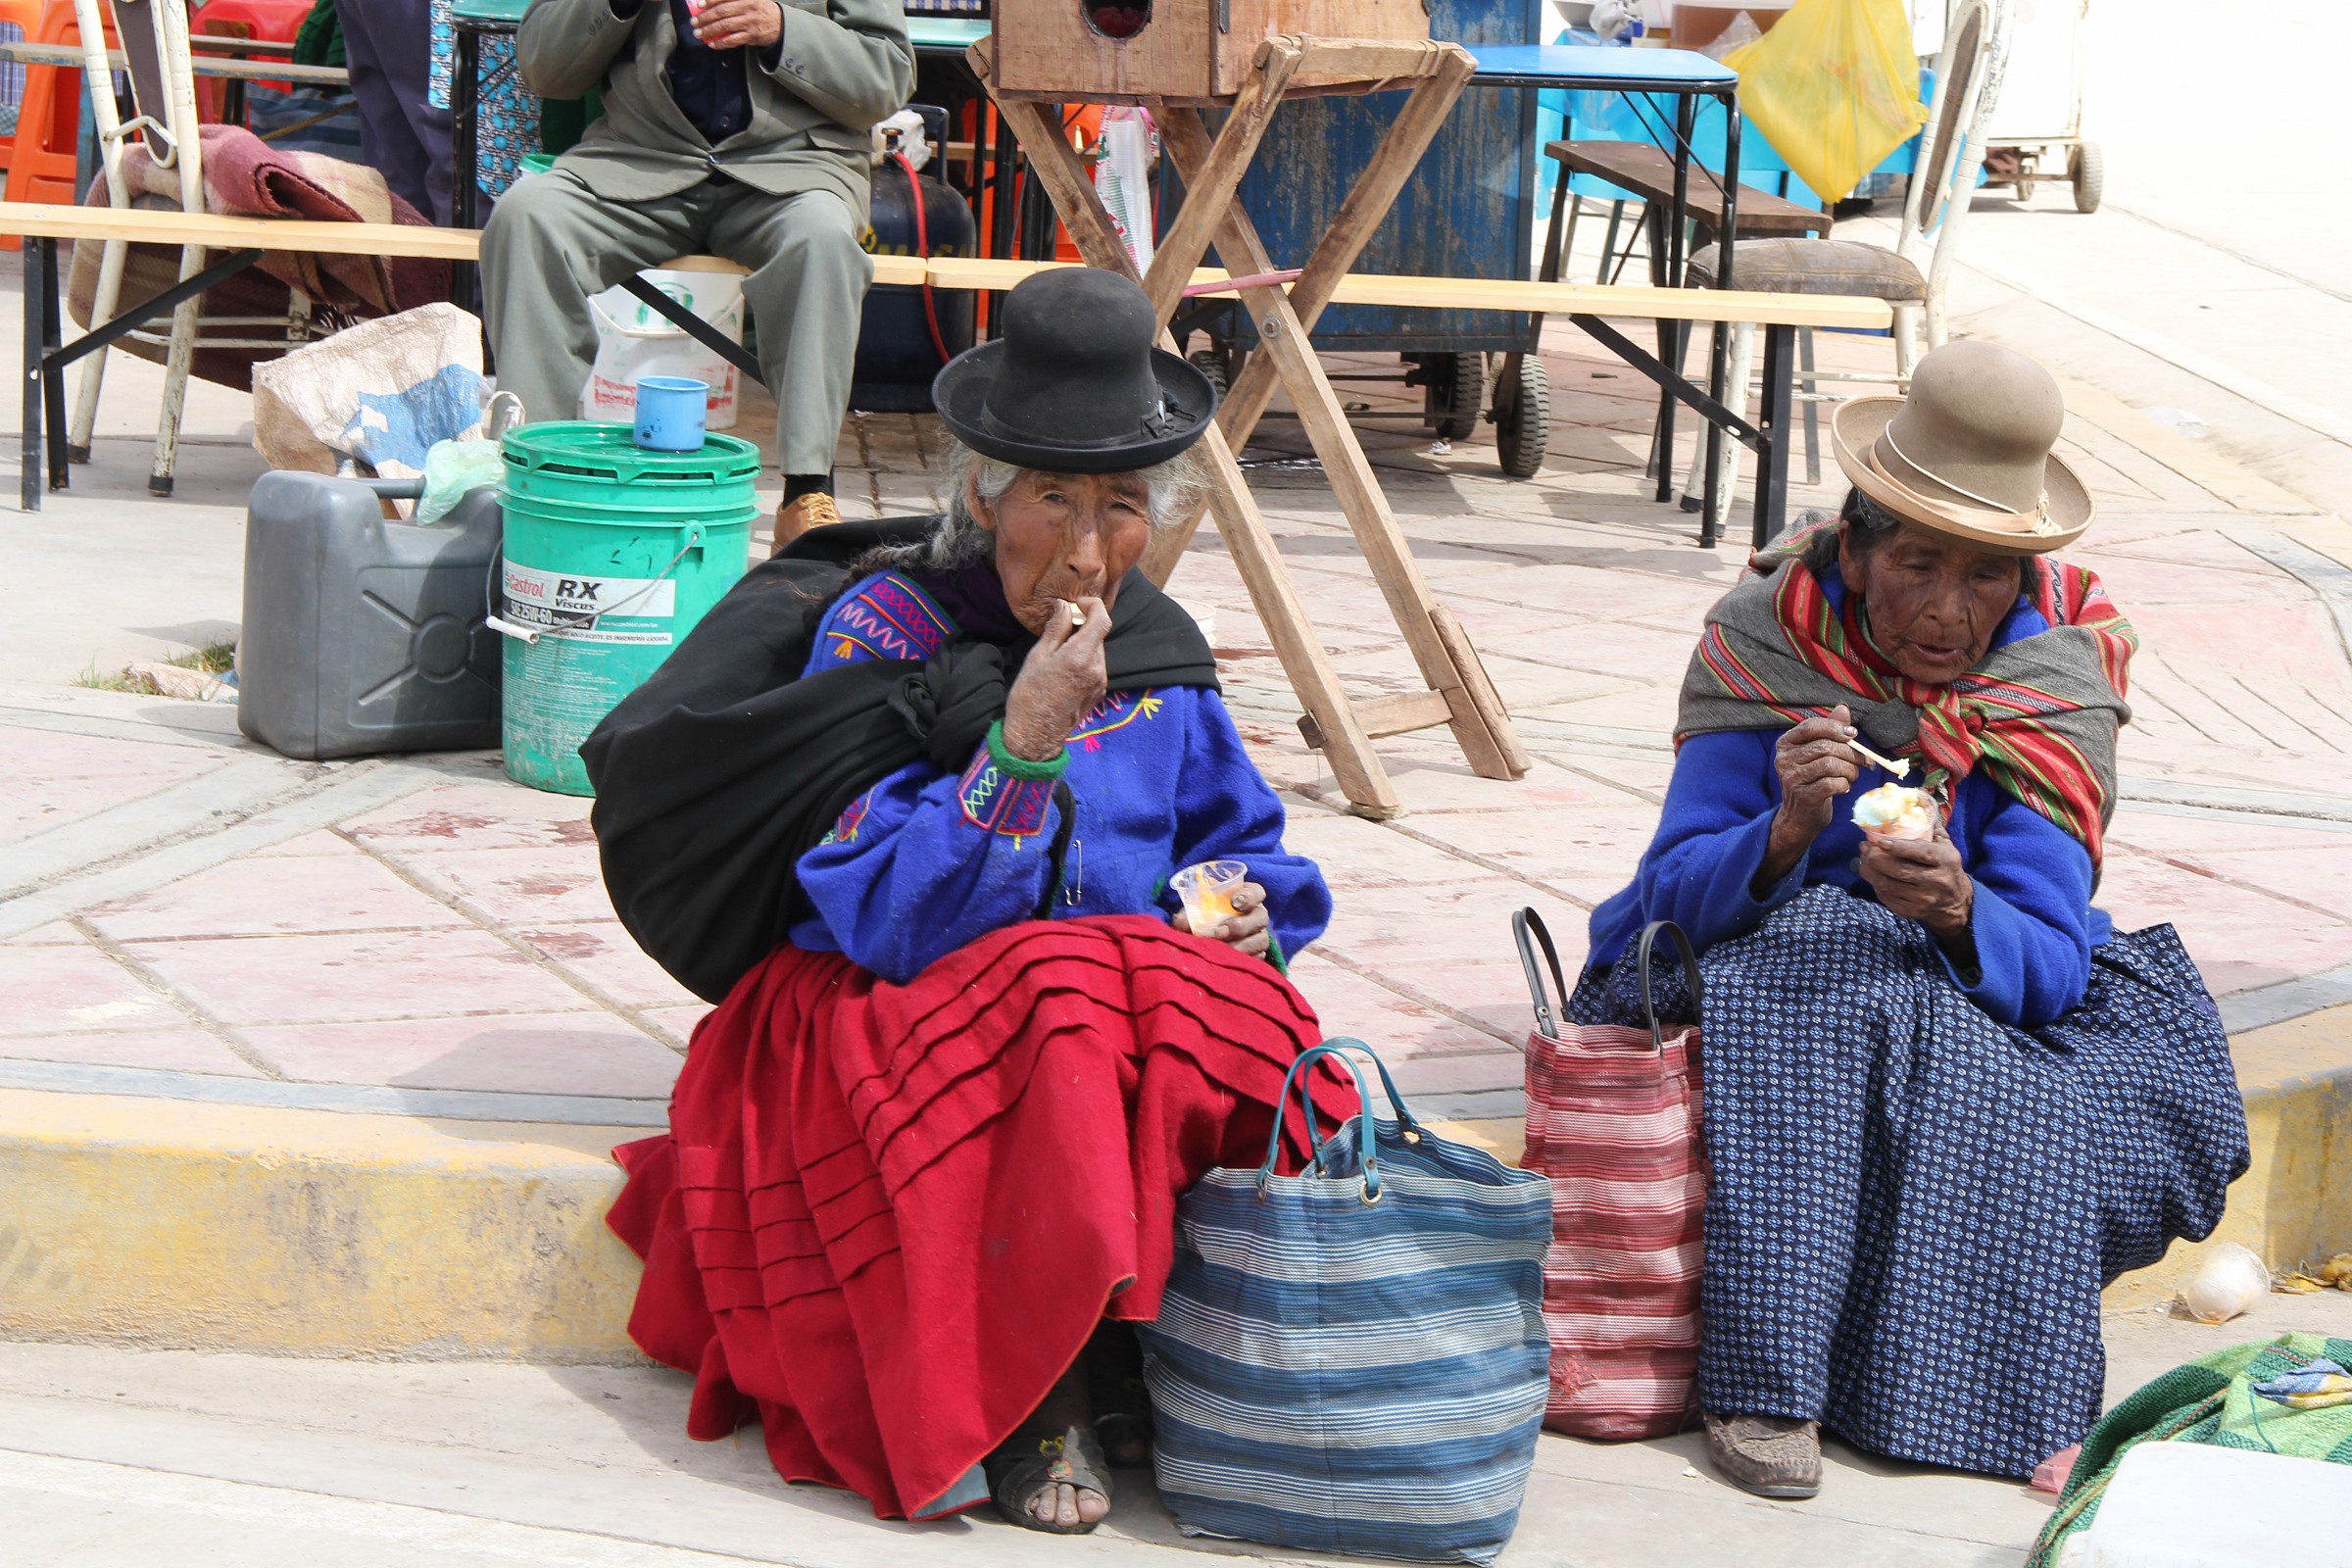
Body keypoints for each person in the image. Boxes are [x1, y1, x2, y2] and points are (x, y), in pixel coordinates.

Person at [584, 270, 1346, 1534]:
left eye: (1121, 505)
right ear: (983, 494)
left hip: (1092, 1011)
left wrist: (1251, 908)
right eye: (1053, 498)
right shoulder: (887, 631)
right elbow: (888, 913)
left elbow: (1241, 844)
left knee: (1238, 1018)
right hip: (888, 1008)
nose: (1089, 548)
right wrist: (1023, 744)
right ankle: (1048, 1384)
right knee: (1064, 998)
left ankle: (1146, 1333)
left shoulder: (1156, 648)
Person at [1578, 341, 2249, 1497]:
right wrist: (1782, 833)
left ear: (2024, 582)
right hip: (1743, 971)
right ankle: (1765, 1384)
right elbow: (1666, 900)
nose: (1947, 611)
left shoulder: (2054, 681)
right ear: (1854, 549)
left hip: (1959, 984)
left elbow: (2050, 964)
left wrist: (1958, 907)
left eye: (1986, 575)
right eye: (1917, 563)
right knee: (1822, 961)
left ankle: (1975, 1397)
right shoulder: (1767, 641)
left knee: (2054, 1087)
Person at [482, 0, 913, 547]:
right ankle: (535, 471)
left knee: (821, 240)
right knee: (527, 216)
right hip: (640, 162)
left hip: (793, 170)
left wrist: (782, 29)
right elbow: (544, 70)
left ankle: (806, 490)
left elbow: (887, 78)